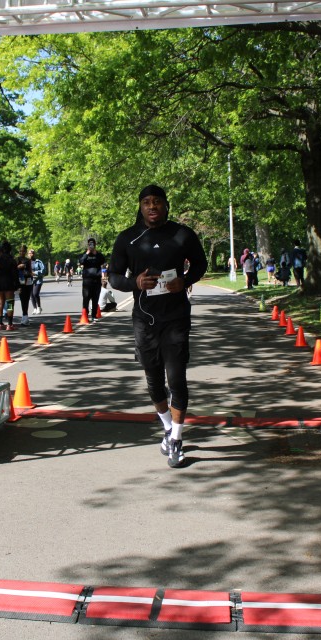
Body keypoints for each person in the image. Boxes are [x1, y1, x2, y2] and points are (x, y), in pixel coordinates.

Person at [109, 185, 207, 469]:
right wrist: (135, 283)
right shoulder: (128, 238)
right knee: (154, 380)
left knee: (176, 379)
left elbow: (200, 264)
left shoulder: (182, 234)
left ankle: (176, 438)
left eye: (157, 202)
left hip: (176, 317)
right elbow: (114, 276)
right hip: (144, 319)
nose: (152, 206)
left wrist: (185, 281)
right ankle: (167, 426)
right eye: (146, 202)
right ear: (140, 207)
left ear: (166, 205)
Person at [0, 242, 19, 331]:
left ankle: (0, 323)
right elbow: (15, 273)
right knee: (10, 303)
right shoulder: (11, 260)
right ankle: (9, 324)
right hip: (9, 283)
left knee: (0, 303)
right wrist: (17, 284)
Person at [79, 238, 105, 321]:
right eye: (90, 244)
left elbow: (103, 261)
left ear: (95, 245)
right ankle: (85, 315)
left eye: (92, 244)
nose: (91, 246)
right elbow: (81, 261)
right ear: (88, 245)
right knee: (86, 298)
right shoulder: (85, 254)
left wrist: (95, 253)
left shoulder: (98, 254)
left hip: (96, 279)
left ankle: (94, 315)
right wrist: (87, 253)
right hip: (87, 280)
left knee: (95, 298)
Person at [15, 245, 33, 326]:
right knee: (22, 299)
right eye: (20, 251)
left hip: (27, 280)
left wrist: (31, 275)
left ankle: (25, 316)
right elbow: (13, 270)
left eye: (23, 251)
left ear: (25, 252)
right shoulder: (16, 259)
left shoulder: (28, 260)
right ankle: (24, 316)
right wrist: (18, 267)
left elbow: (30, 271)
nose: (22, 253)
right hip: (20, 282)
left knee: (27, 298)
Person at [28, 249, 46, 314]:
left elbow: (43, 270)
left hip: (38, 280)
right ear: (28, 254)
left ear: (34, 254)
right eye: (30, 253)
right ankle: (34, 308)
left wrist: (35, 273)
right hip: (29, 280)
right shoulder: (27, 262)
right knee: (31, 295)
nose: (31, 254)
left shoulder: (38, 261)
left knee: (35, 293)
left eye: (32, 253)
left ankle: (39, 307)